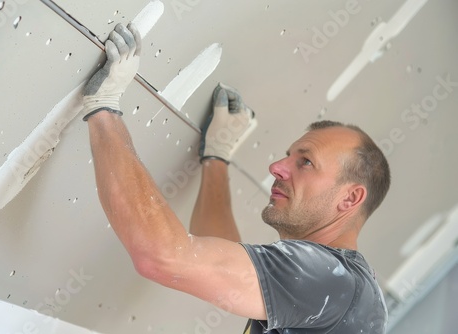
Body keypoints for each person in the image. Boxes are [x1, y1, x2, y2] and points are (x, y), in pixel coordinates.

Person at [82, 23, 390, 334]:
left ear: (350, 198)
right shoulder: (343, 289)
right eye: (289, 156)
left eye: (306, 162)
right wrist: (217, 155)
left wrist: (103, 107)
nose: (277, 167)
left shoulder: (329, 280)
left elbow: (162, 256)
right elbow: (219, 256)